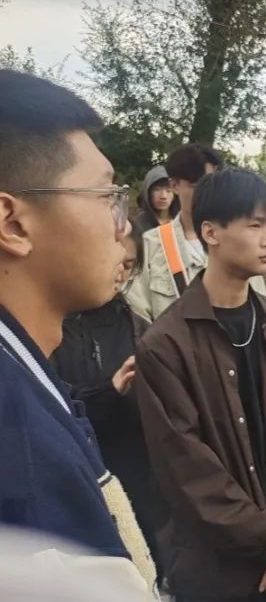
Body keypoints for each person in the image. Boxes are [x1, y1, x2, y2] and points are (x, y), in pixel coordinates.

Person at [133, 169, 266, 601]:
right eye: (254, 225)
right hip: (217, 565)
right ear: (211, 233)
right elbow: (184, 467)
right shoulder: (166, 344)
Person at [0, 69, 154, 594]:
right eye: (106, 195)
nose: (123, 225)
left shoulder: (26, 373)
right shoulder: (16, 441)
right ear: (12, 224)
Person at [52, 219, 168, 569]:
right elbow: (51, 399)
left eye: (129, 264)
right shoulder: (54, 322)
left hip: (138, 479)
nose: (120, 272)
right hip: (78, 477)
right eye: (114, 259)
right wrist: (109, 390)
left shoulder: (139, 326)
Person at [126, 144, 266, 322]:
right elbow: (138, 315)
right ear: (174, 185)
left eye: (213, 185)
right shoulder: (151, 245)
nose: (208, 194)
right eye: (196, 186)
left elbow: (260, 310)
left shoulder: (240, 243)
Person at [133, 164, 178, 234]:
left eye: (168, 190)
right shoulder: (138, 225)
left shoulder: (181, 222)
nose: (163, 196)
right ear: (148, 193)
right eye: (157, 189)